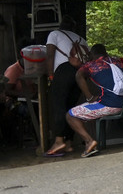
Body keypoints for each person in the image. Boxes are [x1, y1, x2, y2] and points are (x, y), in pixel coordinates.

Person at [63, 44, 123, 158]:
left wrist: (89, 97)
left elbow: (78, 76)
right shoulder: (117, 61)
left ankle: (89, 141)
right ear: (105, 52)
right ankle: (95, 141)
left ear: (91, 54)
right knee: (92, 107)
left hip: (111, 105)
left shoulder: (91, 65)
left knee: (70, 115)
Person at [43, 18, 88, 157]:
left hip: (63, 71)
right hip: (80, 73)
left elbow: (50, 55)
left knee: (59, 106)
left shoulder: (55, 34)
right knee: (70, 108)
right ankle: (68, 143)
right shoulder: (81, 39)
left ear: (61, 26)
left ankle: (58, 141)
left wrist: (51, 75)